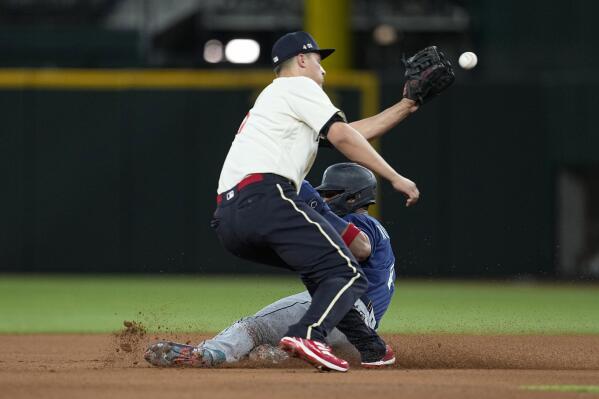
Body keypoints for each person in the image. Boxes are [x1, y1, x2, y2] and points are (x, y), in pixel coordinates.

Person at [188, 31, 420, 372]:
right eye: (318, 61)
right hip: (267, 197)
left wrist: (408, 105)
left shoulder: (274, 105)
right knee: (346, 272)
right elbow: (342, 136)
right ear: (301, 60)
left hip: (229, 217)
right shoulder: (298, 87)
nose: (323, 70)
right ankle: (309, 335)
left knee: (324, 270)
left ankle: (371, 348)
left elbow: (351, 132)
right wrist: (395, 177)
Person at [145, 163, 398, 369]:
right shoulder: (369, 229)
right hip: (357, 330)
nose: (323, 199)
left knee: (255, 327)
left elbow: (361, 247)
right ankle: (273, 357)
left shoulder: (360, 223)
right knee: (270, 346)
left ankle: (209, 353)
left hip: (343, 308)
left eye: (329, 194)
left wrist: (317, 210)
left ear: (353, 197)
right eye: (321, 194)